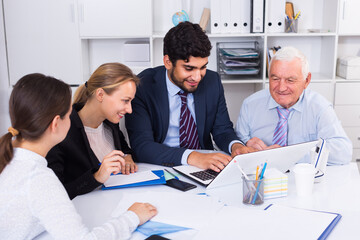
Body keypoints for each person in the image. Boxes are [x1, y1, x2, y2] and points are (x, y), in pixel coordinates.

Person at [0, 73, 157, 239]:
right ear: (55, 124)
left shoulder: (11, 159)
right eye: (68, 115)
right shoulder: (39, 179)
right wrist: (132, 217)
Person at [125, 22, 255, 172]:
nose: (197, 77)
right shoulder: (143, 86)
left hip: (205, 165)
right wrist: (192, 157)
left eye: (203, 67)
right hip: (160, 166)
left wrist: (235, 145)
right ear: (168, 62)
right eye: (189, 68)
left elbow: (222, 130)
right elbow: (142, 146)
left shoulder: (212, 81)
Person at [235, 46, 352, 165]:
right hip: (262, 175)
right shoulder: (250, 105)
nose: (281, 88)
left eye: (290, 80)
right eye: (275, 79)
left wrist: (288, 155)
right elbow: (237, 144)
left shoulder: (319, 107)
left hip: (303, 177)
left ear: (306, 80)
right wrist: (246, 147)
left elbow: (343, 152)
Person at [46, 63, 139, 199]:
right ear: (100, 94)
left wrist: (128, 157)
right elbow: (54, 194)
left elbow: (124, 149)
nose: (130, 109)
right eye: (125, 101)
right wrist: (96, 177)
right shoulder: (61, 132)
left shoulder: (110, 123)